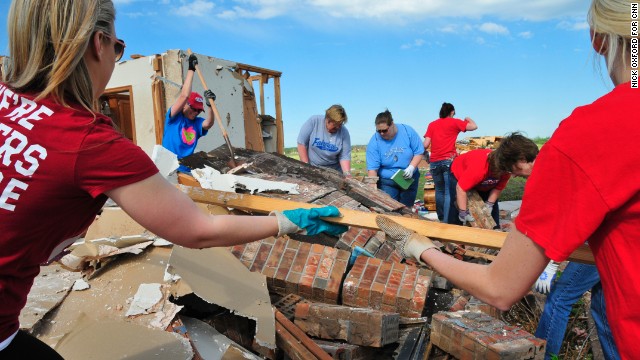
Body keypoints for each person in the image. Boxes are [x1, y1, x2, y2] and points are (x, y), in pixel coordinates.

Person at [0, 1, 347, 358]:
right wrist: (283, 221)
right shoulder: (89, 142)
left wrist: (210, 103)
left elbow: (208, 122)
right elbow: (197, 230)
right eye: (118, 48)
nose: (193, 111)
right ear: (98, 44)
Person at [376, 0, 638, 357]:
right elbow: (464, 186)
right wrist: (471, 218)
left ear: (597, 38)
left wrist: (419, 247)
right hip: (451, 173)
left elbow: (499, 287)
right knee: (454, 209)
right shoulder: (478, 159)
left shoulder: (594, 134)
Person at [450, 132, 538, 228]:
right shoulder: (479, 168)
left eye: (514, 171)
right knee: (457, 210)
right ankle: (455, 234)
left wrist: (489, 204)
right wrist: (463, 212)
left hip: (481, 178)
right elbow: (461, 188)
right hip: (459, 176)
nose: (513, 176)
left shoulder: (507, 167)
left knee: (491, 217)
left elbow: (498, 187)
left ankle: (494, 230)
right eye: (513, 171)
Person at [535, 262, 619, 359]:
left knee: (559, 300)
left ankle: (543, 357)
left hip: (593, 251)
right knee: (601, 312)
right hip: (614, 253)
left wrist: (552, 263)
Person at [423, 103, 478, 224]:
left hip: (434, 162)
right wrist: (467, 118)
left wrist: (425, 155)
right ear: (452, 112)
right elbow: (474, 126)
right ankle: (447, 221)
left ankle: (441, 218)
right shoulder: (455, 122)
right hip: (449, 160)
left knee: (439, 191)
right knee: (449, 192)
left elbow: (425, 144)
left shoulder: (432, 124)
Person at [161, 53, 216, 173]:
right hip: (167, 170)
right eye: (193, 108)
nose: (196, 112)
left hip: (186, 170)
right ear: (185, 105)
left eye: (199, 110)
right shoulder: (173, 118)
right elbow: (184, 95)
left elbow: (209, 123)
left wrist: (210, 105)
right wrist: (191, 70)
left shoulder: (197, 123)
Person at [366, 110, 424, 208]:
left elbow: (418, 152)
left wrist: (411, 168)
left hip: (408, 179)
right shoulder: (374, 141)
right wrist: (373, 186)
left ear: (392, 124)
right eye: (378, 131)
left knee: (407, 209)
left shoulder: (407, 131)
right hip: (387, 182)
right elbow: (372, 168)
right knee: (391, 209)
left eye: (384, 130)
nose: (382, 134)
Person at [296, 104, 351, 176]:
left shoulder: (344, 132)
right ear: (327, 119)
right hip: (314, 168)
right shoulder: (314, 121)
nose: (338, 127)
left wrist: (347, 174)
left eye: (340, 125)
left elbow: (344, 156)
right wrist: (306, 167)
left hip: (335, 171)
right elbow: (301, 143)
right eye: (335, 125)